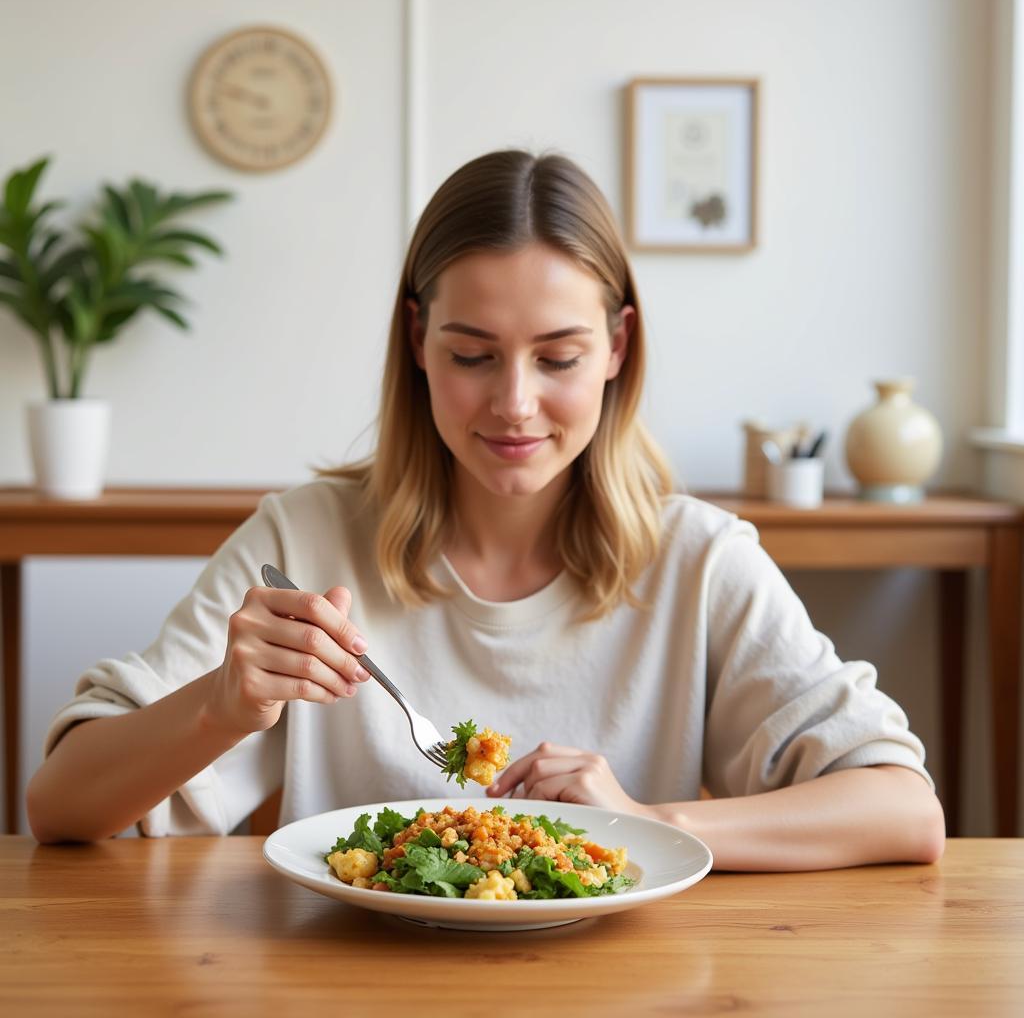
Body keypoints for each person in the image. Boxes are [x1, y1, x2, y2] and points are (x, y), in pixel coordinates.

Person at [27, 150, 945, 870]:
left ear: (618, 346)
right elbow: (60, 805)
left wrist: (645, 822)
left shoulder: (699, 560)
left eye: (558, 358)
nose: (513, 403)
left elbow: (904, 810)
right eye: (473, 355)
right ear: (418, 339)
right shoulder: (304, 538)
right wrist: (223, 705)